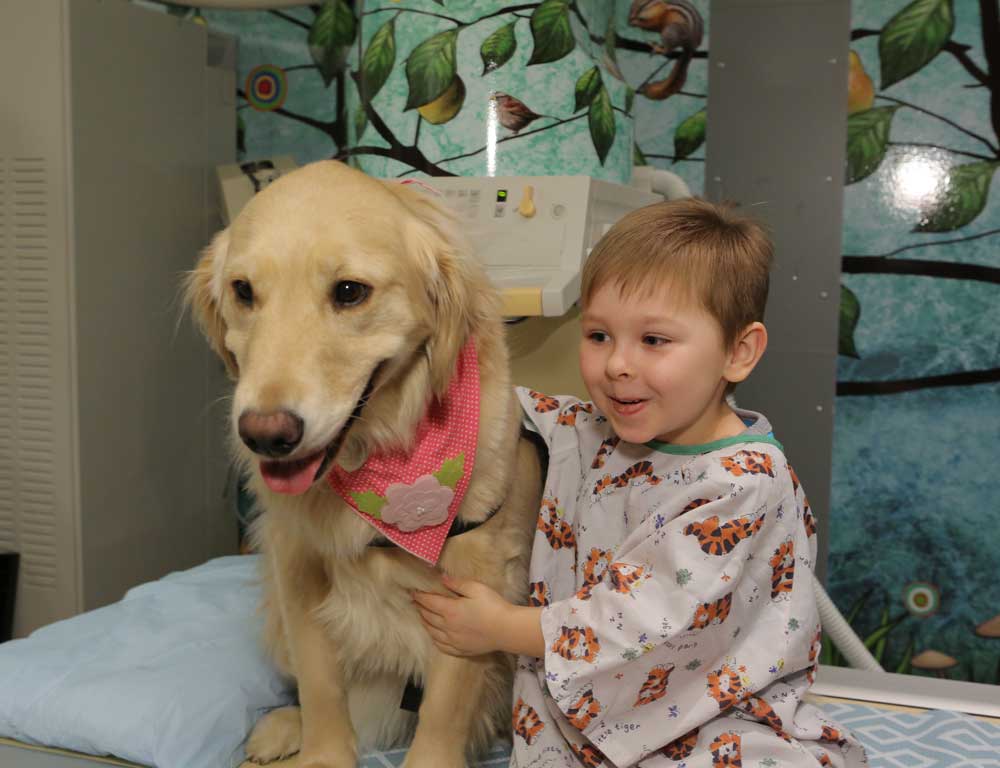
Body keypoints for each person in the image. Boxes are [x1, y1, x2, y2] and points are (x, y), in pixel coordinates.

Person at [413, 198, 867, 767]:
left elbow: (637, 617)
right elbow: (504, 408)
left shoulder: (741, 484)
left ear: (738, 352)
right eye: (598, 335)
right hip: (583, 727)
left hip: (713, 722)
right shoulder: (593, 432)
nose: (617, 365)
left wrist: (501, 627)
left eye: (654, 341)